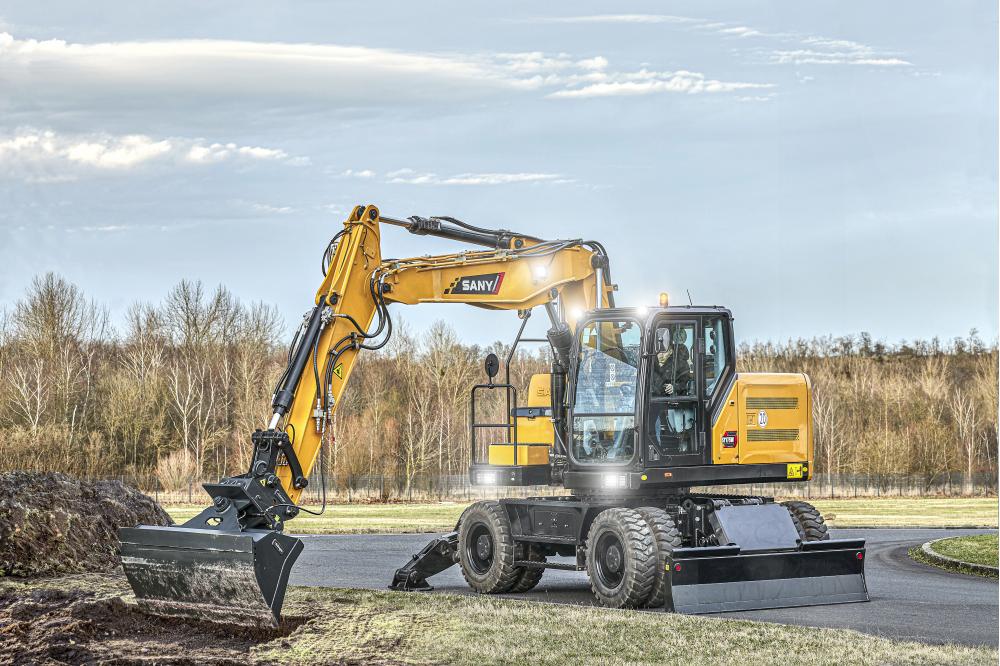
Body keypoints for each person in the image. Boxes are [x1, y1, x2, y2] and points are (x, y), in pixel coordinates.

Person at [652, 327, 691, 397]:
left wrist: (674, 387)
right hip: (651, 399)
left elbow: (685, 382)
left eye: (664, 352)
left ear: (670, 351)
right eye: (658, 352)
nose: (660, 355)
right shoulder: (649, 364)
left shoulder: (680, 364)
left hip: (672, 401)